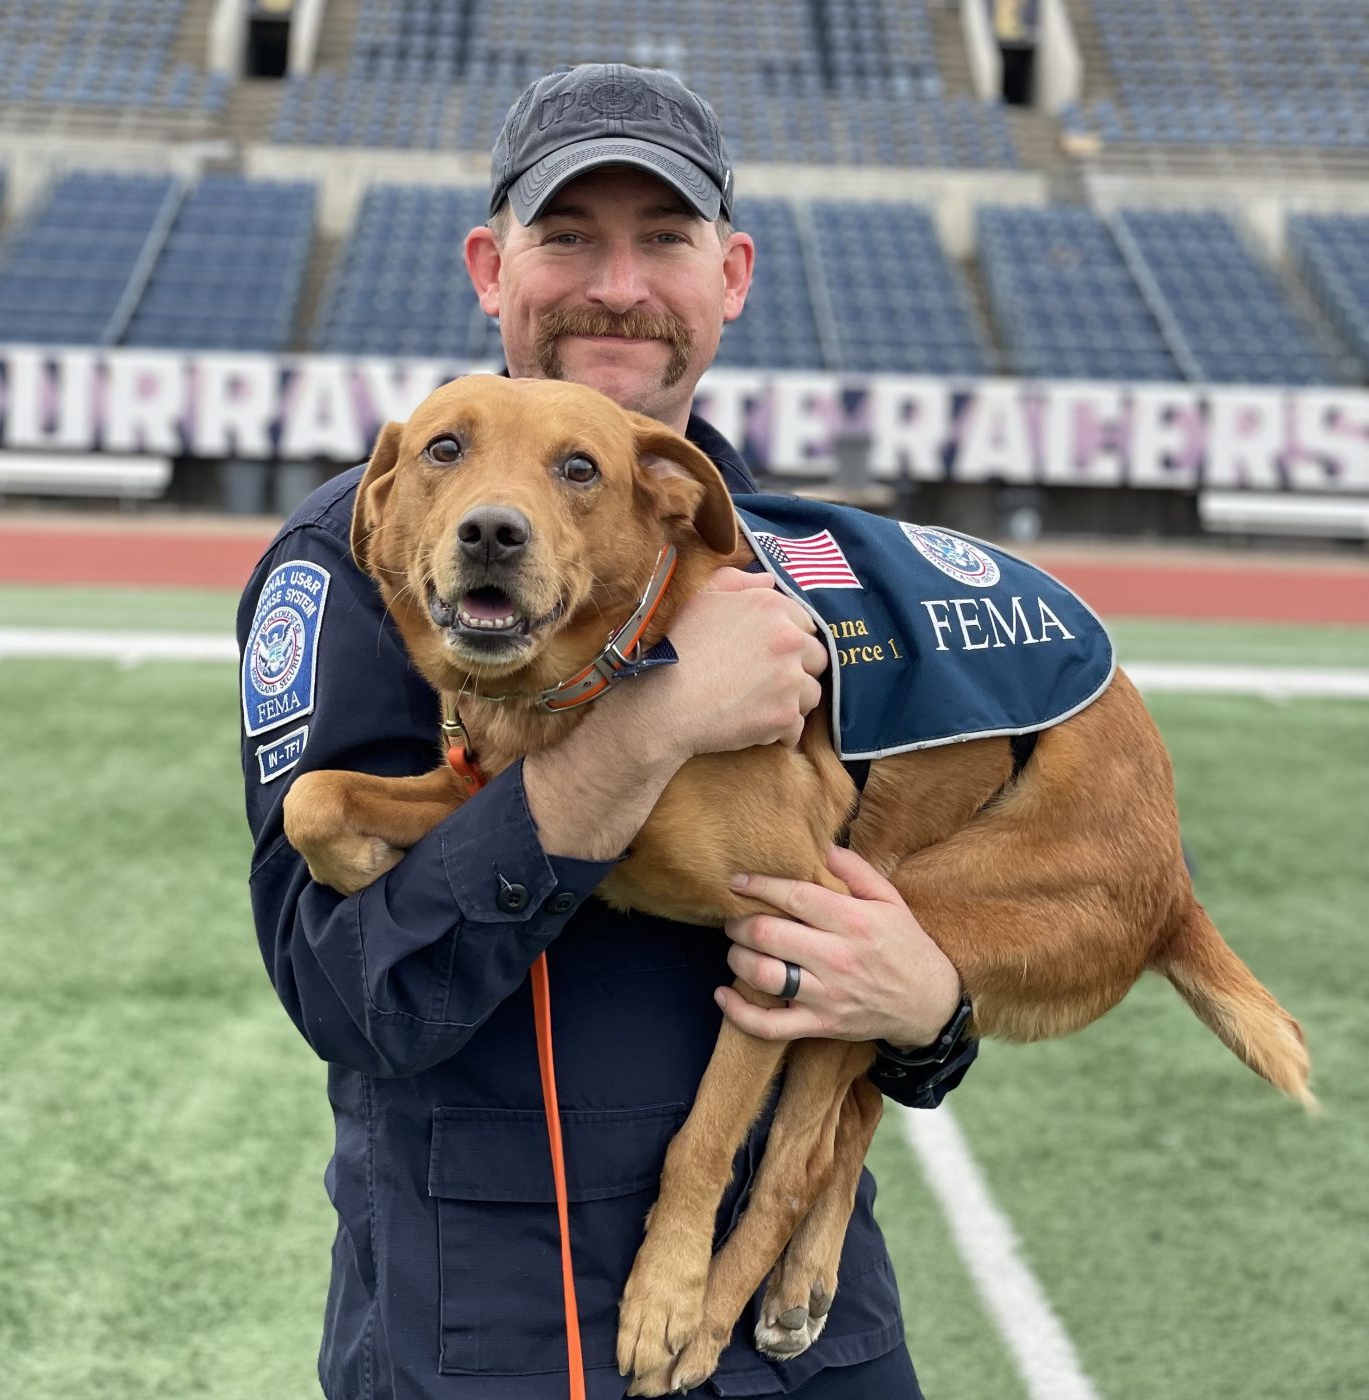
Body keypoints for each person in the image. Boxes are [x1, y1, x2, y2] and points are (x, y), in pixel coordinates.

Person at [239, 62, 976, 1400]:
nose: (619, 284)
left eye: (665, 240)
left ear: (732, 273)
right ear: (490, 263)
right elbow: (349, 995)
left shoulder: (822, 569)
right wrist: (652, 729)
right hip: (488, 1334)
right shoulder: (363, 558)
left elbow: (923, 941)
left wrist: (932, 1009)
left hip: (800, 1335)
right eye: (569, 234)